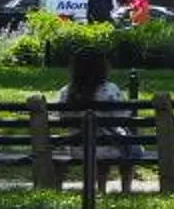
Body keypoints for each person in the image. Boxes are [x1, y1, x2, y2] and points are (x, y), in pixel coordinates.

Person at [52, 47, 137, 191]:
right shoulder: (110, 90)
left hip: (78, 148)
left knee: (103, 145)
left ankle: (97, 189)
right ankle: (125, 189)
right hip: (110, 147)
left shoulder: (67, 92)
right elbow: (123, 116)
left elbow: (62, 116)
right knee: (130, 146)